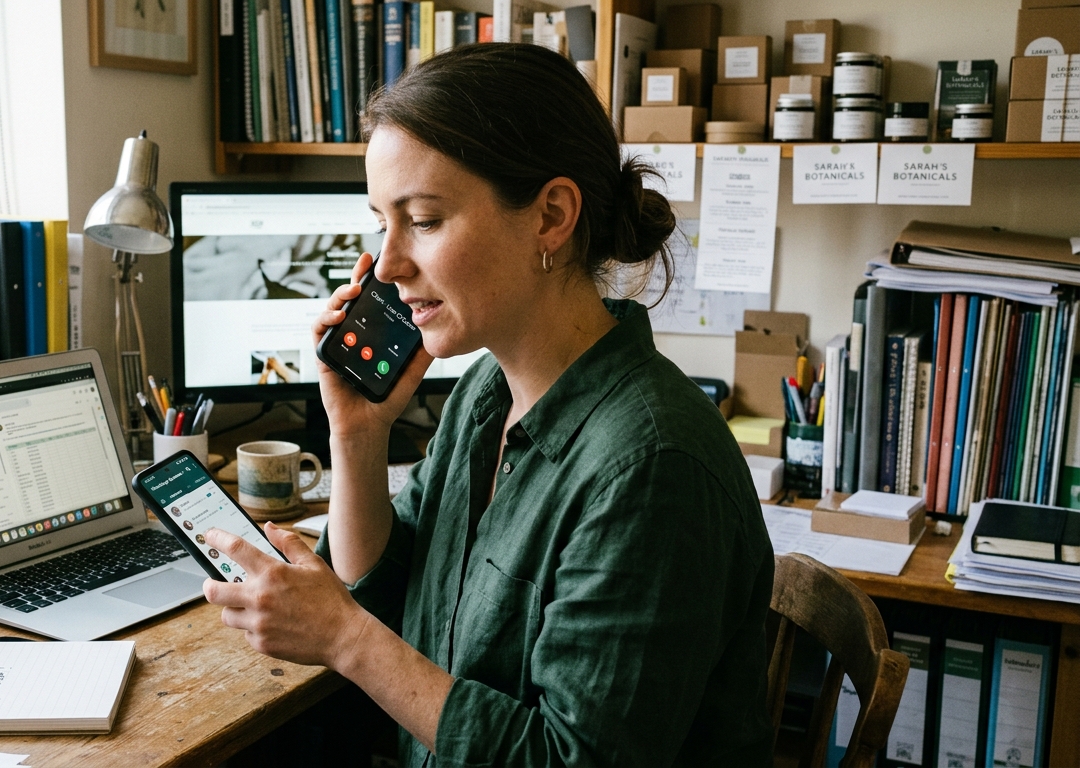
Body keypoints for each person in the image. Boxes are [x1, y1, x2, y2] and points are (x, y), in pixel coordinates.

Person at [202, 43, 775, 766]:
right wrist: (357, 435)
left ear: (551, 217)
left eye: (424, 220)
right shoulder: (486, 391)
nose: (388, 265)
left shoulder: (654, 468)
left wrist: (344, 637)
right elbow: (386, 588)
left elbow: (570, 759)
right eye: (382, 223)